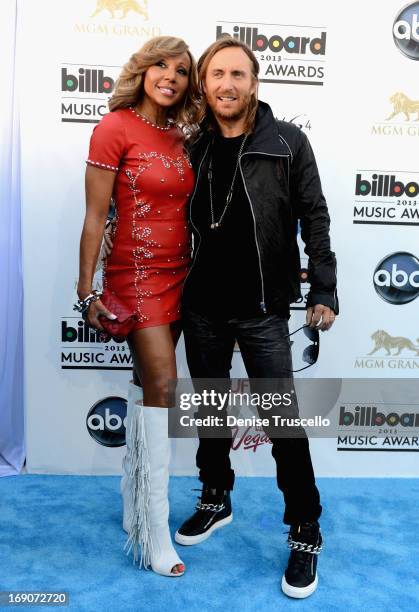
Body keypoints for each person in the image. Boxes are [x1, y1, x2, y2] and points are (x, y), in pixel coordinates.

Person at [173, 37, 338, 599]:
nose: (227, 84)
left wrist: (325, 288)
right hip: (201, 308)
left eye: (238, 74)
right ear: (204, 84)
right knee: (211, 414)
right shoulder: (191, 147)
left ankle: (305, 529)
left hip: (265, 309)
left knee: (282, 426)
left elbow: (315, 217)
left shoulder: (287, 143)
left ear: (255, 83)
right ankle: (215, 498)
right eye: (217, 74)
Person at [75, 35, 199, 577]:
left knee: (146, 386)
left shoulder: (183, 135)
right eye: (161, 65)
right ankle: (153, 531)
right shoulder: (114, 127)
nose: (170, 75)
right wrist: (87, 290)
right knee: (164, 390)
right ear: (143, 70)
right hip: (137, 275)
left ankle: (131, 505)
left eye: (181, 69)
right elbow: (94, 216)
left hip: (182, 275)